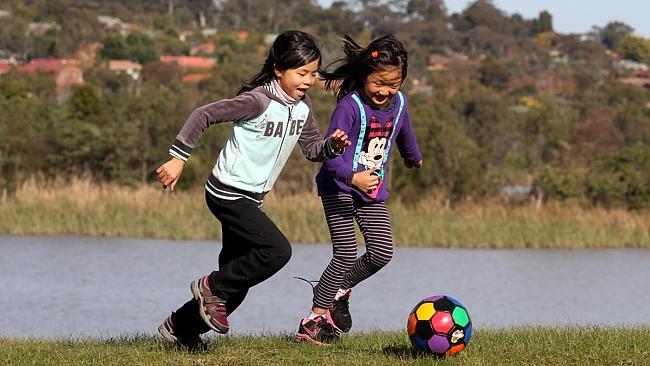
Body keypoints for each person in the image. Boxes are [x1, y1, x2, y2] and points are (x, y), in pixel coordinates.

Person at [155, 30, 350, 351]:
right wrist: (178, 158)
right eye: (301, 73)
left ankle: (180, 328)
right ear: (278, 69)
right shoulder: (257, 101)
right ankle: (209, 286)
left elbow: (313, 149)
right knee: (276, 252)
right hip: (227, 193)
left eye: (313, 74)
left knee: (238, 285)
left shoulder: (302, 108)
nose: (308, 80)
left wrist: (332, 146)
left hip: (251, 200)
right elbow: (202, 114)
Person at [295, 34, 423, 345]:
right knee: (346, 253)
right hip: (338, 187)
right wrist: (353, 178)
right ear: (366, 75)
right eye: (379, 82)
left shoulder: (400, 102)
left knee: (381, 252)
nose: (385, 91)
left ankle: (335, 290)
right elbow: (329, 161)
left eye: (393, 83)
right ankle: (312, 320)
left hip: (372, 190)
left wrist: (412, 156)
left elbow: (403, 130)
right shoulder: (349, 108)